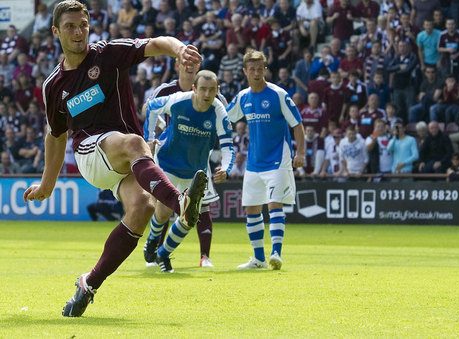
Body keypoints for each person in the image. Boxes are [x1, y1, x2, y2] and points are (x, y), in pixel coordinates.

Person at [22, 1, 206, 317]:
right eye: (70, 26)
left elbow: (154, 44)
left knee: (142, 208)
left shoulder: (107, 54)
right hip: (91, 154)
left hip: (126, 158)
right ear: (56, 31)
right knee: (134, 142)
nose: (78, 32)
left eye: (83, 25)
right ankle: (181, 205)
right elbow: (56, 135)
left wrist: (179, 50)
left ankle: (88, 284)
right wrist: (46, 185)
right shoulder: (54, 85)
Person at [143, 70, 234, 272]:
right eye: (203, 89)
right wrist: (148, 138)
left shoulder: (219, 112)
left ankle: (163, 254)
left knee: (189, 218)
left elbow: (228, 145)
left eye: (212, 90)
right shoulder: (177, 100)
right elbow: (150, 107)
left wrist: (226, 168)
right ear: (194, 89)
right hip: (167, 163)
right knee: (165, 210)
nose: (207, 94)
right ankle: (152, 239)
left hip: (195, 171)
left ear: (217, 90)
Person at [226, 50, 305, 270]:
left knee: (274, 205)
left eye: (260, 68)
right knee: (251, 209)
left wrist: (301, 153)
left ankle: (276, 253)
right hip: (253, 163)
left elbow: (297, 124)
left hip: (278, 160)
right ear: (245, 71)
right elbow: (225, 115)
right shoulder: (243, 97)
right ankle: (258, 259)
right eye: (252, 69)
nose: (256, 72)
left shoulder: (278, 94)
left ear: (265, 69)